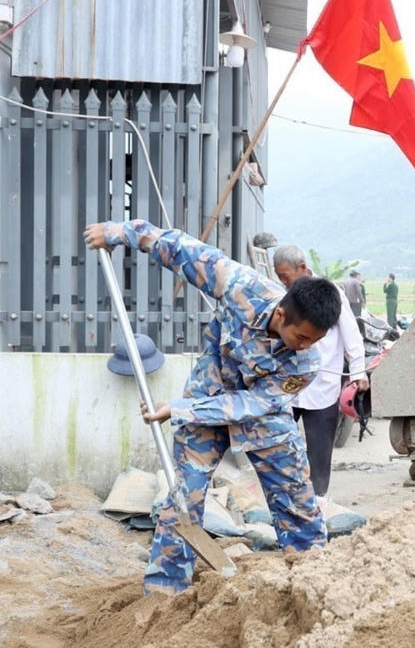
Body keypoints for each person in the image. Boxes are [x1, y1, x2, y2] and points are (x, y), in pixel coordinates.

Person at [83, 219, 342, 595]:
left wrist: (181, 410)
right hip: (206, 398)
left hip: (261, 419)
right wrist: (123, 233)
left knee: (297, 501)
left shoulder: (307, 362)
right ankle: (164, 593)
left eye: (312, 341)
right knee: (181, 500)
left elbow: (254, 403)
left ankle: (315, 582)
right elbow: (184, 250)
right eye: (301, 336)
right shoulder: (241, 287)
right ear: (283, 314)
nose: (304, 346)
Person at [273, 245, 370, 527]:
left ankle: (317, 504)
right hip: (288, 388)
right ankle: (282, 502)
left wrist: (358, 371)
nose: (284, 282)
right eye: (280, 277)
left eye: (286, 275)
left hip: (323, 385)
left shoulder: (332, 295)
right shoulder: (283, 296)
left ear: (303, 268)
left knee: (319, 449)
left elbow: (352, 335)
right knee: (280, 445)